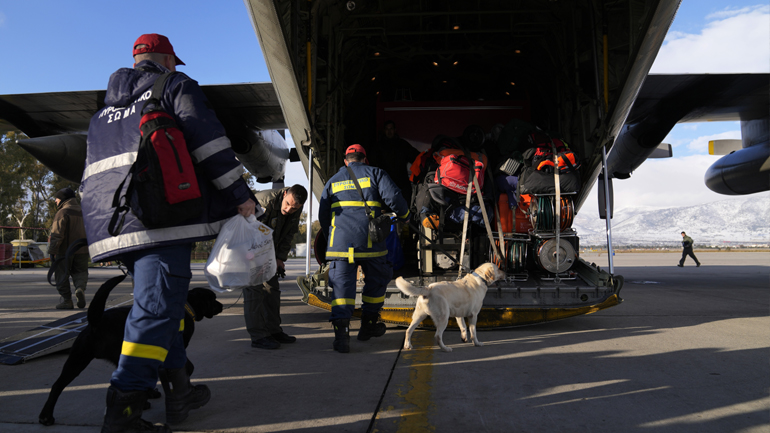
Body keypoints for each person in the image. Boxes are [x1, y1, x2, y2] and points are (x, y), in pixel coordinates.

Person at [82, 34, 258, 432]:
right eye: (174, 62)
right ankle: (125, 408)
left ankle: (180, 391)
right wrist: (240, 196)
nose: (177, 68)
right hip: (158, 222)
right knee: (156, 310)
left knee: (166, 309)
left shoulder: (105, 110)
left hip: (111, 225)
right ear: (164, 59)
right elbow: (210, 145)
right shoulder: (175, 87)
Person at [318, 144, 410, 353]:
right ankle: (368, 326)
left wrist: (333, 236)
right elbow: (394, 198)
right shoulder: (375, 173)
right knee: (377, 281)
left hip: (340, 246)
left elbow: (323, 215)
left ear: (346, 161)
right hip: (370, 243)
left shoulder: (332, 181)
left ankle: (341, 337)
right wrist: (405, 216)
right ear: (365, 159)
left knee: (341, 289)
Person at [245, 184, 308, 350]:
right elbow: (248, 229)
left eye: (293, 208)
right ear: (285, 193)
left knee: (272, 290)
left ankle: (273, 331)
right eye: (287, 204)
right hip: (249, 250)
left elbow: (289, 233)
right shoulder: (263, 201)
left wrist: (280, 257)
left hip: (269, 252)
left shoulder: (296, 206)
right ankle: (258, 336)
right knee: (254, 291)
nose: (288, 210)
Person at [49, 187, 89, 310]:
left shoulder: (63, 212)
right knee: (80, 272)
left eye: (57, 198)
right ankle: (80, 288)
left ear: (63, 199)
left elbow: (57, 234)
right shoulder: (84, 212)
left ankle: (67, 301)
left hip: (65, 251)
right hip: (83, 249)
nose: (55, 201)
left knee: (62, 275)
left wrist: (53, 251)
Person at [366, 120, 420, 205]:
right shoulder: (378, 146)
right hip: (384, 184)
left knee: (405, 209)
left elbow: (416, 157)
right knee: (385, 212)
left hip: (402, 184)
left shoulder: (402, 144)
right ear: (384, 131)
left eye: (391, 129)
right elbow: (371, 165)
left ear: (395, 130)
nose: (389, 131)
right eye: (387, 129)